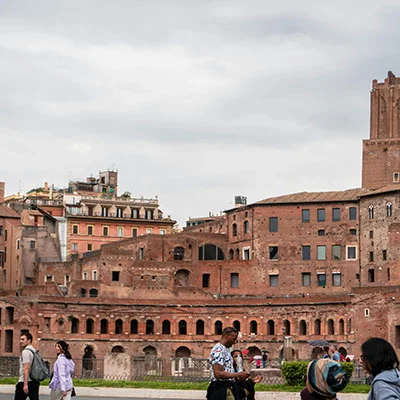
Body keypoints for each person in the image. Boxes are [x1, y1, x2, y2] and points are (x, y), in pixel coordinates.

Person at [206, 327, 250, 400]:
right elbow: (217, 373)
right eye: (233, 339)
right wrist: (237, 375)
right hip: (220, 389)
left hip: (227, 387)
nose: (235, 342)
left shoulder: (225, 349)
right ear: (226, 336)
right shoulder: (218, 350)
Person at [14, 332, 40, 400]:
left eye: (23, 339)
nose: (21, 341)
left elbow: (26, 368)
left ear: (29, 340)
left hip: (25, 382)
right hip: (34, 381)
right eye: (20, 339)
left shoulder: (26, 352)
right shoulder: (34, 351)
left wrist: (25, 384)